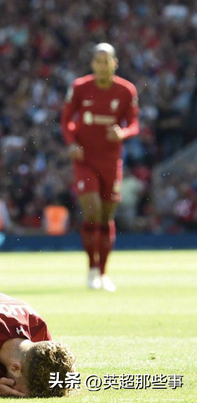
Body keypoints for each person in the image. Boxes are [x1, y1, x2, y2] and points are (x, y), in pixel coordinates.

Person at [61, 43, 139, 291]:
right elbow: (66, 120)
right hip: (85, 159)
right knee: (92, 209)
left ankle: (103, 273)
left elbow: (134, 124)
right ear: (92, 63)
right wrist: (72, 142)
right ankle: (92, 269)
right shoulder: (80, 87)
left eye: (106, 61)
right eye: (98, 61)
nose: (102, 66)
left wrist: (123, 133)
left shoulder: (126, 90)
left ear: (115, 63)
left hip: (111, 161)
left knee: (106, 216)